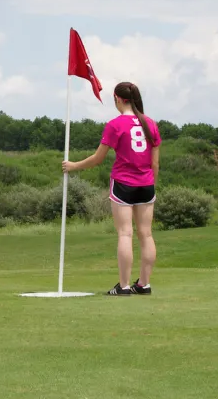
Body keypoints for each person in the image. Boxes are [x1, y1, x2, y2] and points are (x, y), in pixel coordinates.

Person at [63, 82, 161, 296]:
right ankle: (143, 284)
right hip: (146, 183)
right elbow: (155, 164)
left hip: (123, 183)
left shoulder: (115, 125)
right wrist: (152, 183)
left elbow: (97, 159)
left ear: (118, 98)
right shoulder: (150, 124)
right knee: (146, 234)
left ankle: (124, 286)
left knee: (125, 234)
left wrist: (73, 166)